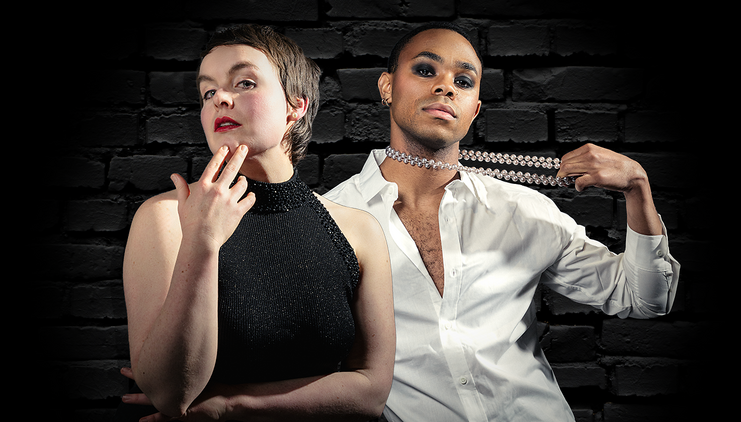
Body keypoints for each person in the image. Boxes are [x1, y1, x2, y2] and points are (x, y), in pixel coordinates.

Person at [324, 22, 680, 422]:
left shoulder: (521, 210)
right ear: (387, 87)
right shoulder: (331, 220)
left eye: (463, 80)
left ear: (474, 109)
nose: (446, 87)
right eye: (426, 70)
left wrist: (638, 187)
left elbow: (645, 298)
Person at [118, 24, 395, 422]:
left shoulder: (357, 230)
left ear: (294, 106)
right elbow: (169, 394)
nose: (221, 99)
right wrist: (202, 241)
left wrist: (230, 405)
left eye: (244, 82)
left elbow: (371, 392)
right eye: (208, 92)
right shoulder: (166, 218)